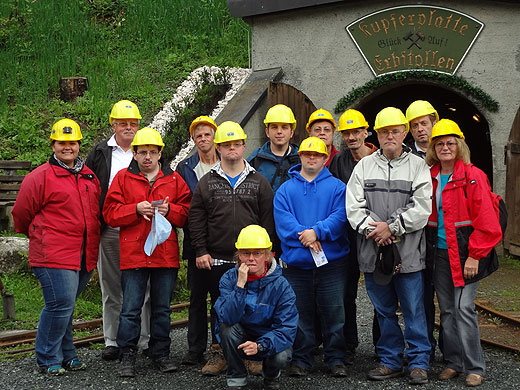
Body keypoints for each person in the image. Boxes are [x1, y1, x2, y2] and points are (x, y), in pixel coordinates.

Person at [346, 107, 432, 384]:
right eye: (384, 132)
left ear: (403, 132)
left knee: (413, 310)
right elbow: (353, 207)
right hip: (374, 254)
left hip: (408, 255)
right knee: (383, 311)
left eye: (395, 131)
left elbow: (421, 208)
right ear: (378, 135)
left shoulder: (418, 166)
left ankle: (419, 362)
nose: (390, 136)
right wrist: (377, 230)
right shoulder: (364, 166)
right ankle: (390, 360)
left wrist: (390, 228)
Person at [12, 119, 101, 375]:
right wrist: (40, 235)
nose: (67, 147)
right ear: (53, 144)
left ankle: (68, 355)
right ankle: (48, 358)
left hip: (84, 253)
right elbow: (21, 213)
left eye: (72, 142)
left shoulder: (87, 175)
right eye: (62, 143)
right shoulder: (40, 176)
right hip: (53, 252)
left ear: (78, 144)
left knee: (67, 306)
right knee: (60, 304)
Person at [188, 121, 276, 376]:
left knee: (254, 305)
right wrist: (201, 250)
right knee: (220, 306)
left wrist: (267, 254)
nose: (232, 149)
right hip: (216, 258)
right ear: (219, 148)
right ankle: (219, 352)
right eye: (226, 145)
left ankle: (252, 354)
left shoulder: (259, 182)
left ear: (243, 145)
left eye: (236, 144)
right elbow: (196, 218)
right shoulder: (207, 182)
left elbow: (268, 219)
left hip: (251, 258)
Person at [103, 128, 191, 377]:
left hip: (164, 254)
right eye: (143, 152)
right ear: (135, 153)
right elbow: (109, 213)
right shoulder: (122, 178)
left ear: (160, 153)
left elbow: (187, 214)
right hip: (134, 253)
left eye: (153, 152)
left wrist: (170, 210)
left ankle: (160, 353)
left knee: (162, 308)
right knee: (130, 308)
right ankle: (127, 354)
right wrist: (134, 209)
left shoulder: (174, 180)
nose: (148, 157)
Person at [425, 119, 502, 387]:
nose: (445, 147)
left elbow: (488, 222)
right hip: (439, 254)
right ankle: (454, 363)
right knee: (446, 310)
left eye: (450, 143)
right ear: (433, 148)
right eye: (440, 143)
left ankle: (475, 366)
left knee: (464, 308)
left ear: (459, 146)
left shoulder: (473, 175)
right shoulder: (430, 175)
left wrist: (475, 255)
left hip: (466, 254)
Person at [274, 136, 350, 377]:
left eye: (316, 155)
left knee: (334, 313)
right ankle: (302, 360)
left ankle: (336, 358)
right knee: (300, 314)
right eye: (307, 154)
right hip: (296, 266)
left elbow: (341, 217)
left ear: (325, 158)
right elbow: (283, 222)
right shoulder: (286, 189)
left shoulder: (338, 187)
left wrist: (316, 231)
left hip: (332, 265)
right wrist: (305, 236)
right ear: (301, 157)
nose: (311, 158)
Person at [86, 100, 151, 361]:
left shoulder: (146, 149)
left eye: (133, 123)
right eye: (123, 123)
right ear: (113, 124)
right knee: (111, 286)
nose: (128, 128)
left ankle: (144, 340)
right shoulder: (100, 152)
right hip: (110, 229)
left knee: (143, 288)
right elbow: (89, 188)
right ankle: (112, 340)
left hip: (140, 229)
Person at [214, 225, 298, 390]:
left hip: (267, 338)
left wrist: (260, 345)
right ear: (239, 256)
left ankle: (271, 375)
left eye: (257, 253)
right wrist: (240, 285)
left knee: (282, 355)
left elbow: (287, 327)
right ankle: (237, 377)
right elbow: (228, 318)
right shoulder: (228, 279)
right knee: (226, 329)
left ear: (267, 256)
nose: (251, 258)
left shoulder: (282, 285)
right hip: (241, 336)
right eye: (246, 253)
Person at [328, 109, 377, 364]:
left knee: (381, 293)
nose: (350, 137)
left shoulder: (379, 158)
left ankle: (382, 348)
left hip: (375, 236)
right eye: (346, 133)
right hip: (346, 236)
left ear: (365, 132)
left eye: (355, 131)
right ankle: (348, 345)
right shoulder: (339, 161)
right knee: (345, 294)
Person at [176, 116, 220, 367]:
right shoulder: (186, 167)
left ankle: (218, 347)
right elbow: (184, 206)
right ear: (193, 140)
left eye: (207, 134)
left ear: (214, 137)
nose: (203, 139)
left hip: (222, 242)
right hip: (196, 243)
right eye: (198, 136)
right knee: (196, 298)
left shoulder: (227, 161)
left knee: (220, 298)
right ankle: (195, 350)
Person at [406, 99, 441, 361]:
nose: (420, 129)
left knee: (450, 300)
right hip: (416, 234)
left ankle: (453, 352)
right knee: (420, 296)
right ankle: (424, 347)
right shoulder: (407, 157)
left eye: (424, 123)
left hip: (443, 234)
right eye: (415, 125)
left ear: (434, 123)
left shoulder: (448, 152)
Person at [247, 104, 300, 192]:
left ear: (291, 132)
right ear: (267, 132)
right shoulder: (256, 159)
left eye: (284, 127)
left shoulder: (301, 159)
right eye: (274, 127)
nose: (279, 131)